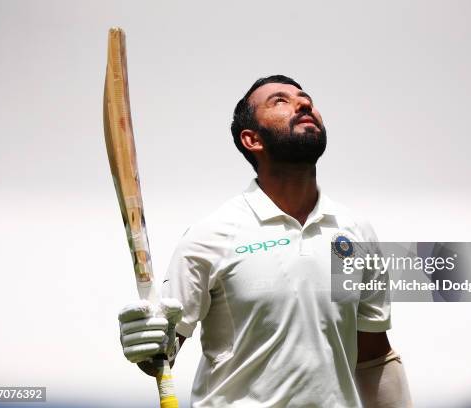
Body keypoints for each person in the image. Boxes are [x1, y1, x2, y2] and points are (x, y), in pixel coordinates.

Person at [118, 75, 412, 407]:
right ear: (252, 139)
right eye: (281, 101)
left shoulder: (354, 231)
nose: (304, 104)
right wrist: (145, 343)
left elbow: (373, 356)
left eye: (307, 99)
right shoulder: (210, 236)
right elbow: (161, 355)